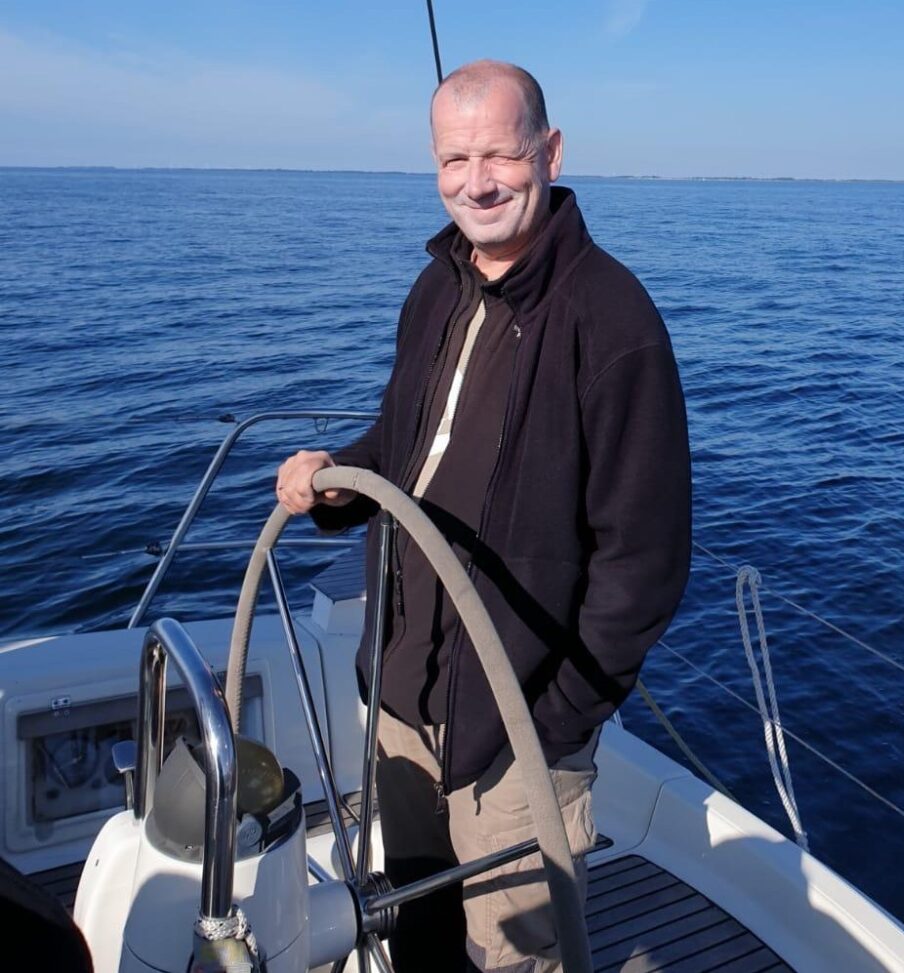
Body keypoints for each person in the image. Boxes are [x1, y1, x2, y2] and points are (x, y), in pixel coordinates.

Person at [276, 60, 691, 973]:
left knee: (517, 957)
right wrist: (340, 480)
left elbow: (645, 562)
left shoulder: (615, 322)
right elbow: (405, 439)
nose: (478, 182)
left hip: (517, 735)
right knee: (418, 930)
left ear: (550, 151)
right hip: (401, 702)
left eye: (500, 154)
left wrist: (554, 722)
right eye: (454, 159)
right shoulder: (437, 286)